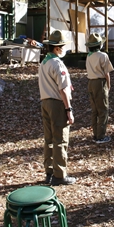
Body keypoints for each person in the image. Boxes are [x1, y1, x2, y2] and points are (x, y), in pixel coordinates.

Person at [39, 30, 76, 186]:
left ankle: (49, 171)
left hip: (45, 101)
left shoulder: (44, 62)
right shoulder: (57, 63)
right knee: (60, 138)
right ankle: (60, 174)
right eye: (62, 46)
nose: (63, 49)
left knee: (49, 139)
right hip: (57, 103)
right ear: (57, 48)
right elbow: (62, 89)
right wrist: (68, 109)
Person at [85, 33, 114, 144]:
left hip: (90, 82)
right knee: (103, 109)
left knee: (95, 110)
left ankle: (96, 133)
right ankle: (101, 136)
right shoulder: (103, 56)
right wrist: (108, 85)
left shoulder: (88, 56)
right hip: (100, 82)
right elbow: (107, 73)